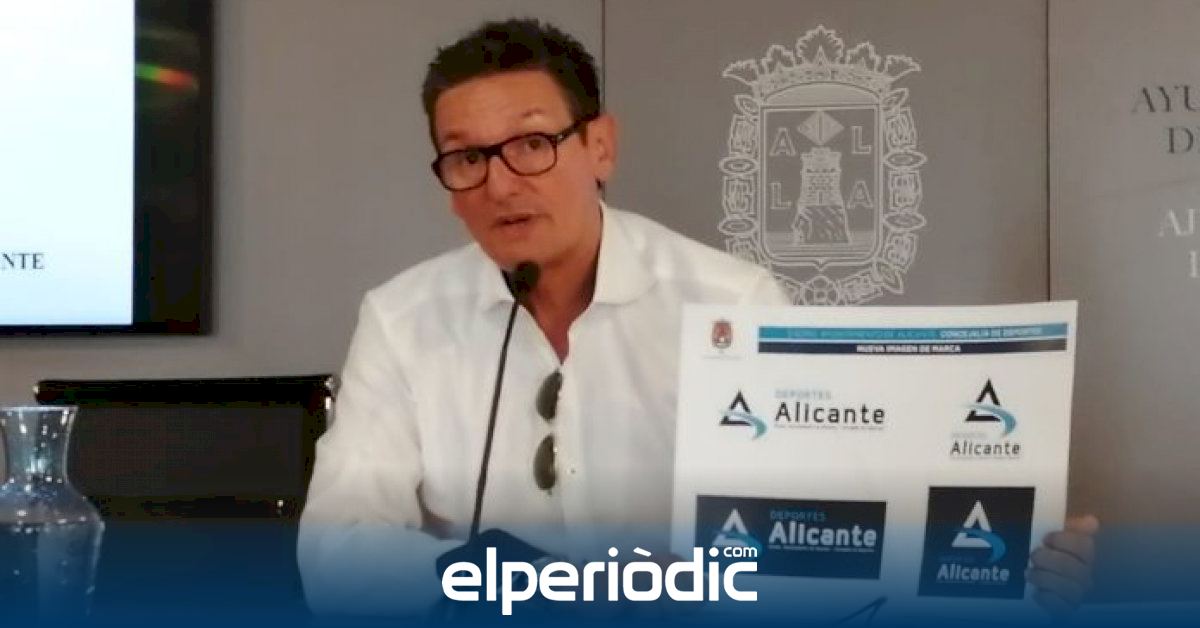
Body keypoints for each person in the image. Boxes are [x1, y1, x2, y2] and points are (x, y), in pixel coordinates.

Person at [297, 18, 1097, 618]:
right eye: (467, 156)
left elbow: (826, 542)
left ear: (600, 147)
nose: (501, 184)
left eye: (533, 144)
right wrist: (488, 581)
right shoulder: (403, 319)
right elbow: (335, 555)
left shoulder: (730, 303)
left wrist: (1024, 567)